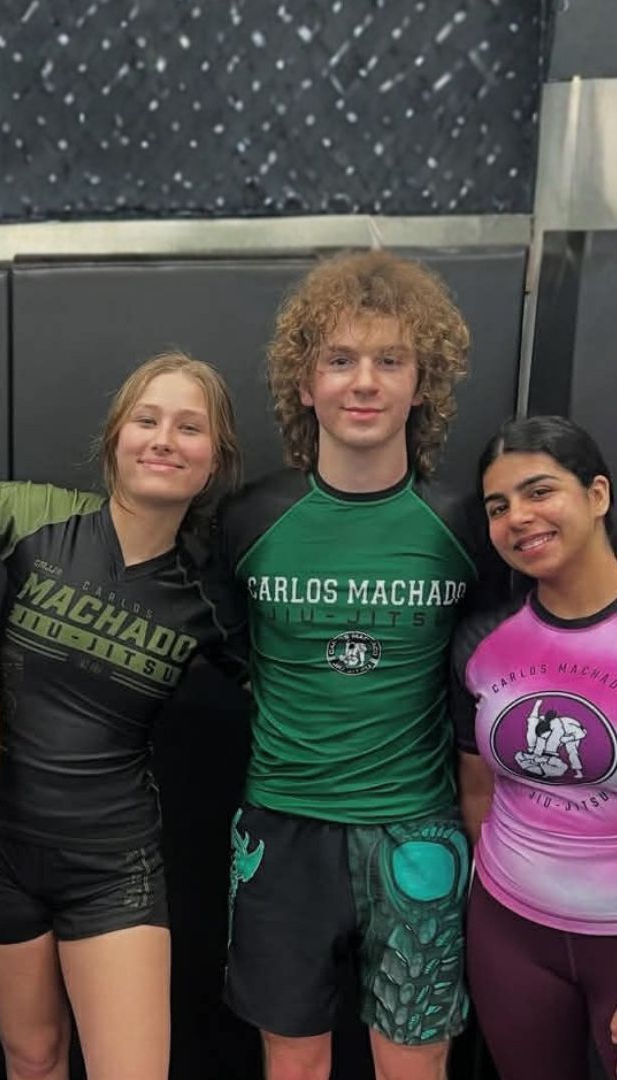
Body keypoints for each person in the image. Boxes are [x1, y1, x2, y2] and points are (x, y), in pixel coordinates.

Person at [219, 250, 496, 1079]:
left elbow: (489, 677)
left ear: (422, 383)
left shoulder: (464, 521)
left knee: (412, 1068)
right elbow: (231, 649)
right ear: (306, 385)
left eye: (389, 360)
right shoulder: (250, 519)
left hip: (416, 832)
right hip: (281, 829)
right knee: (293, 1067)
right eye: (339, 360)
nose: (364, 382)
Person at [0, 352, 246, 1080]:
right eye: (147, 419)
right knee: (34, 1058)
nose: (164, 439)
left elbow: (299, 692)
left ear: (215, 461)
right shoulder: (31, 516)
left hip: (115, 867)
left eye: (189, 427)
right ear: (115, 438)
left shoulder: (208, 596)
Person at [451, 415, 617, 1080]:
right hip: (511, 936)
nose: (518, 517)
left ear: (597, 495)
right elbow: (477, 793)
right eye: (499, 505)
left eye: (539, 491)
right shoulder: (482, 642)